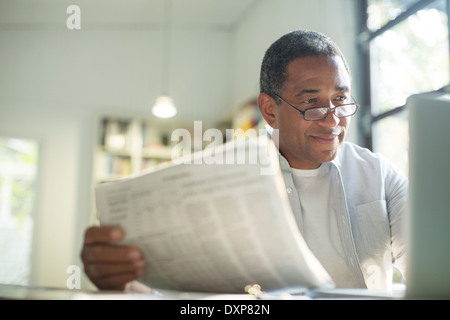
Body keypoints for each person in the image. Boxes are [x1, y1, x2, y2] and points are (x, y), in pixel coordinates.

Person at [81, 30, 408, 292]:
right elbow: (180, 294)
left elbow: (434, 272)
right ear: (269, 110)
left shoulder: (381, 176)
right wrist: (121, 281)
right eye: (312, 102)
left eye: (340, 99)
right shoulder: (220, 179)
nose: (332, 119)